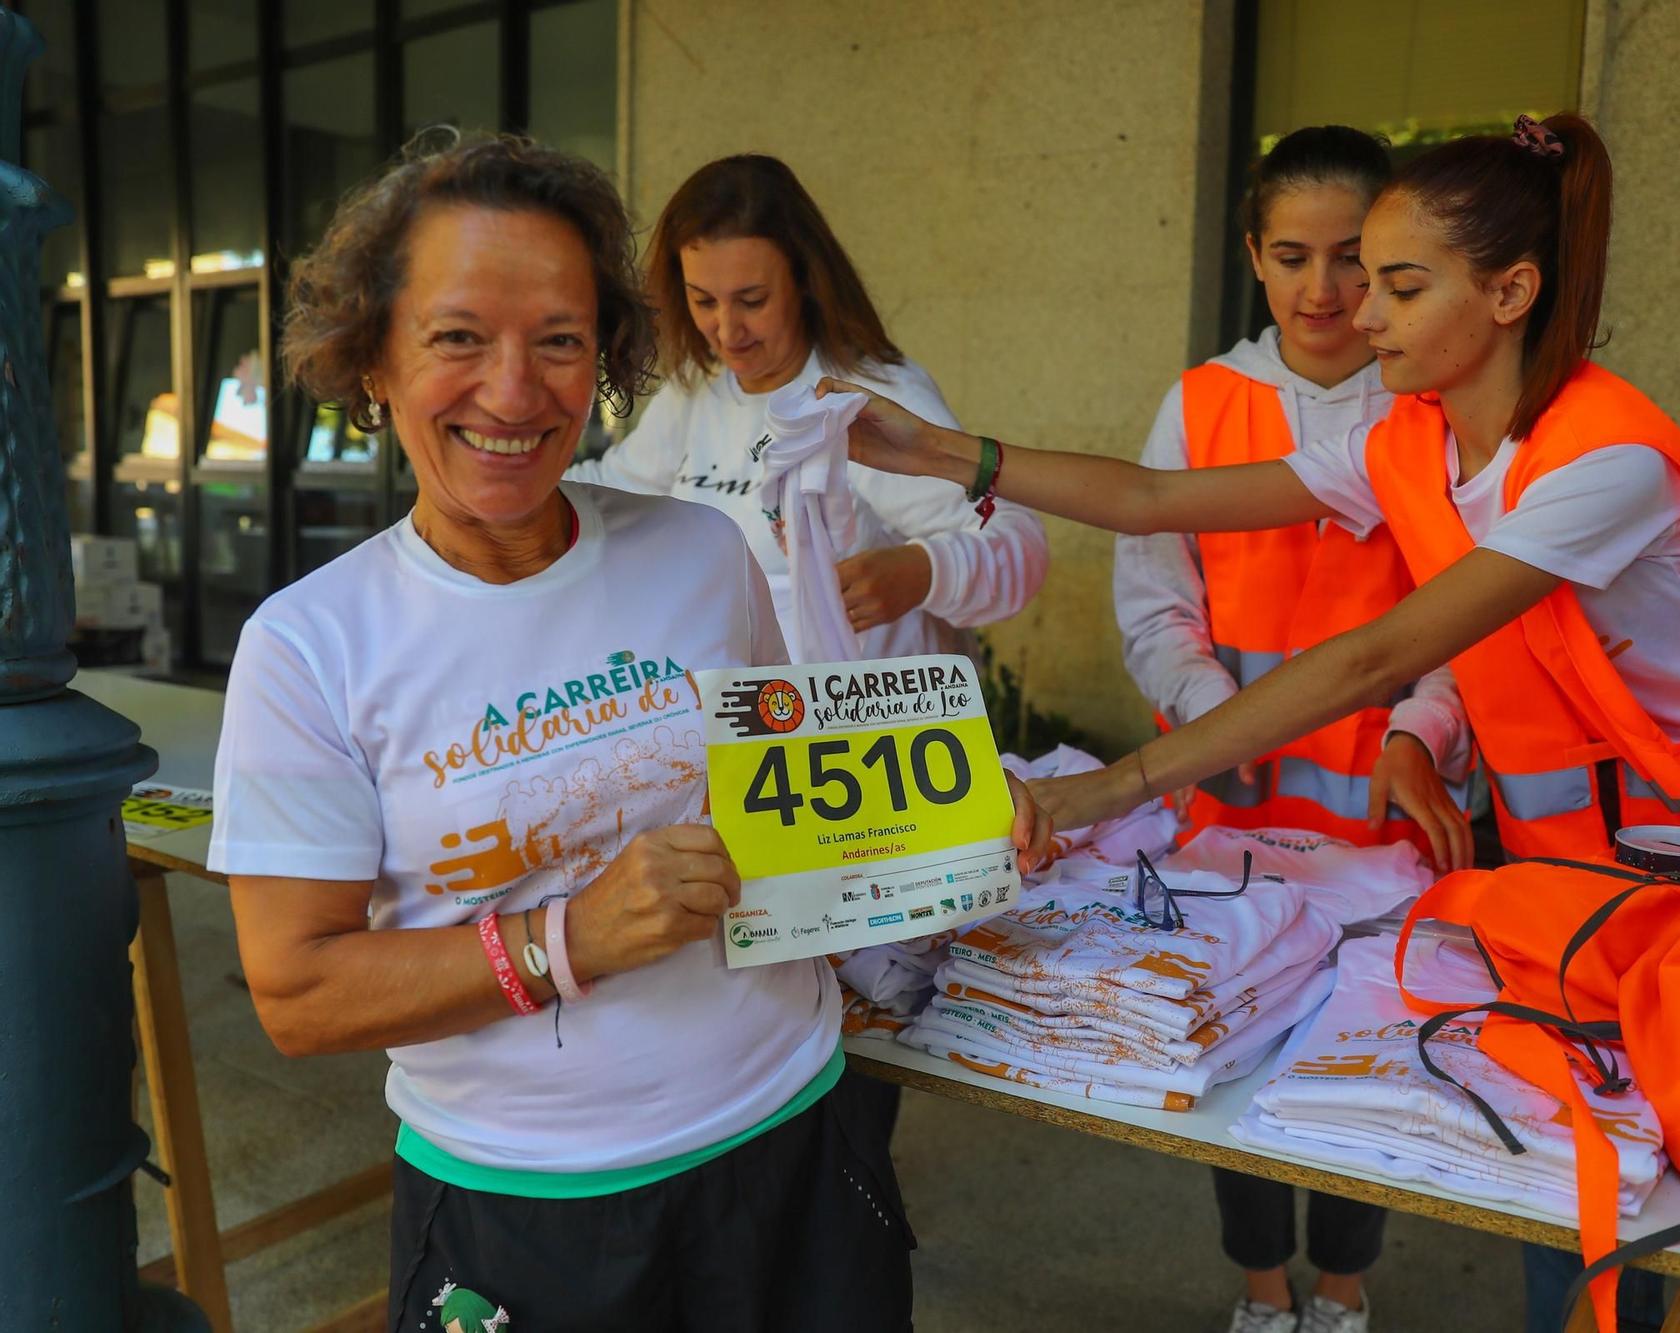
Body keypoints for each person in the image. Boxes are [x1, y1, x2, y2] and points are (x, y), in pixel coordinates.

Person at [820, 111, 1680, 1331]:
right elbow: (1150, 502)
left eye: (1396, 284)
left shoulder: (1599, 460)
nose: (1360, 313)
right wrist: (943, 452)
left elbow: (1376, 658)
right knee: (1585, 1167)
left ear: (1510, 291)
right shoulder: (1403, 437)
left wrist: (1106, 787)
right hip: (1590, 874)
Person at [208, 133, 1049, 1331]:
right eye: (457, 338)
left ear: (602, 358)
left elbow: (793, 806)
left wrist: (944, 824)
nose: (513, 391)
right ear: (373, 361)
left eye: (558, 340)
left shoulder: (696, 553)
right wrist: (568, 939)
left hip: (797, 1156)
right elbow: (298, 994)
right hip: (531, 1213)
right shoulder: (311, 645)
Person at [1115, 125, 1472, 1333]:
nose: (1322, 291)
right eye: (1289, 256)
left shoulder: (1430, 403)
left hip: (1385, 814)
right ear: (1252, 260)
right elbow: (1155, 599)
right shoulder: (1203, 402)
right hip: (1235, 809)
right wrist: (1214, 715)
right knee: (1241, 1053)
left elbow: (1472, 624)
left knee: (1374, 1054)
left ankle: (1345, 1289)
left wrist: (1417, 728)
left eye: (1348, 260)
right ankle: (1263, 1292)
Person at [566, 153, 1047, 661]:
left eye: (752, 301)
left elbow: (1017, 542)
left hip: (865, 725)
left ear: (804, 280)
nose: (728, 331)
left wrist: (925, 571)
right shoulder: (695, 393)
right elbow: (617, 490)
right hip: (741, 718)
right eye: (703, 301)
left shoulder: (866, 397)